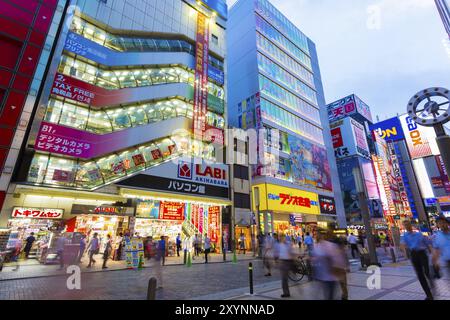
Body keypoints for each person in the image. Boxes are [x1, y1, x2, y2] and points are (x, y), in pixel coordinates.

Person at [400, 220, 434, 300]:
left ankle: (431, 281)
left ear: (410, 225)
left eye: (408, 224)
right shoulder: (404, 235)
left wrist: (432, 252)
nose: (407, 226)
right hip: (414, 254)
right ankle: (429, 295)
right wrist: (404, 253)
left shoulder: (418, 234)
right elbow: (402, 245)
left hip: (422, 254)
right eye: (405, 225)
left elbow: (427, 243)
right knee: (420, 275)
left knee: (427, 272)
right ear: (404, 226)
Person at [312, 230, 340, 300]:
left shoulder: (330, 245)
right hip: (322, 275)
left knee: (330, 295)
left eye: (317, 234)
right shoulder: (317, 246)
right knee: (327, 294)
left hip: (331, 275)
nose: (316, 236)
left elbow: (337, 259)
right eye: (315, 235)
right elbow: (315, 258)